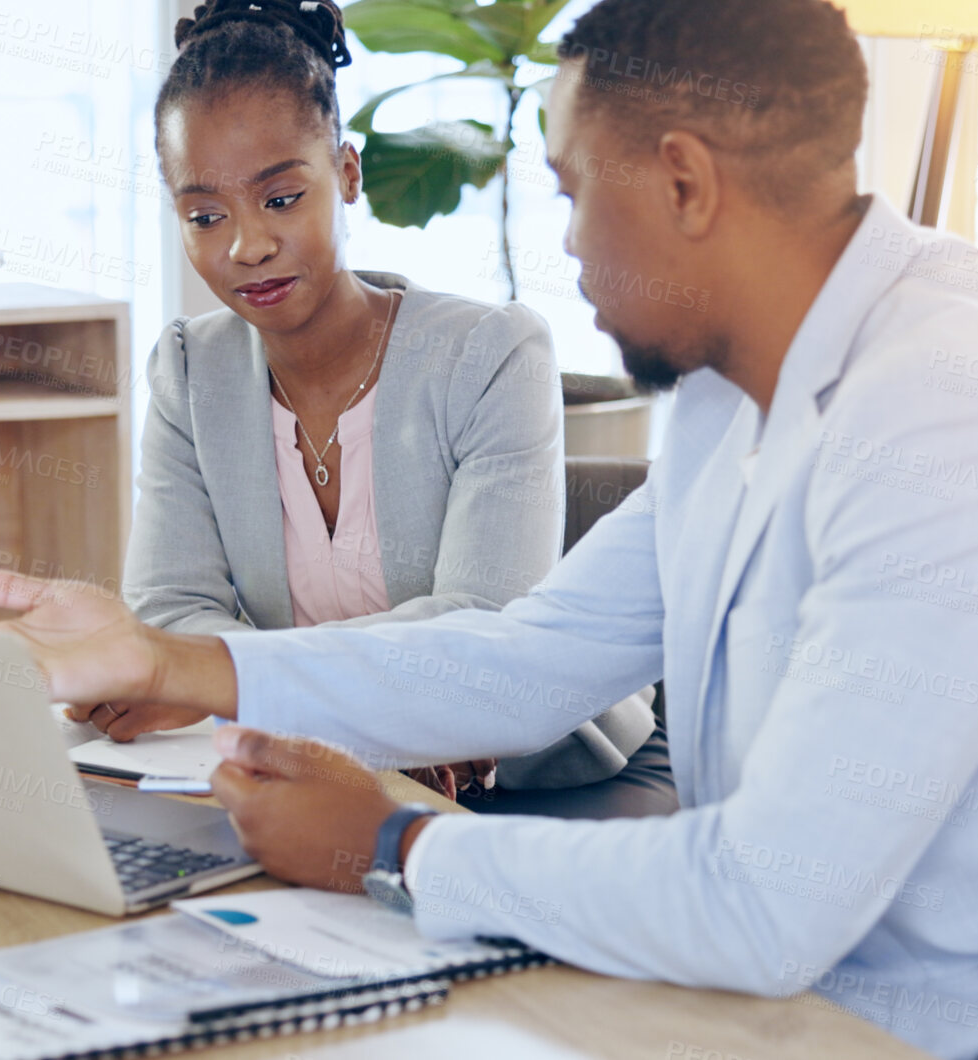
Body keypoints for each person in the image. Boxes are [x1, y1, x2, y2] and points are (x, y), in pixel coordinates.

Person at [0, 0, 978, 1055]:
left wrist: (397, 847)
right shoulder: (738, 391)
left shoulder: (954, 419)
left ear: (683, 182)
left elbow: (762, 902)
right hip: (803, 989)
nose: (563, 249)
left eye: (571, 196)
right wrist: (167, 660)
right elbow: (529, 660)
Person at [126, 0, 666, 809]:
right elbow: (170, 613)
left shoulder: (492, 353)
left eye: (280, 199)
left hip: (518, 766)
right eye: (206, 216)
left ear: (347, 172)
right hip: (298, 759)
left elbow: (483, 622)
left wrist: (228, 679)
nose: (247, 246)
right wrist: (339, 725)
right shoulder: (187, 372)